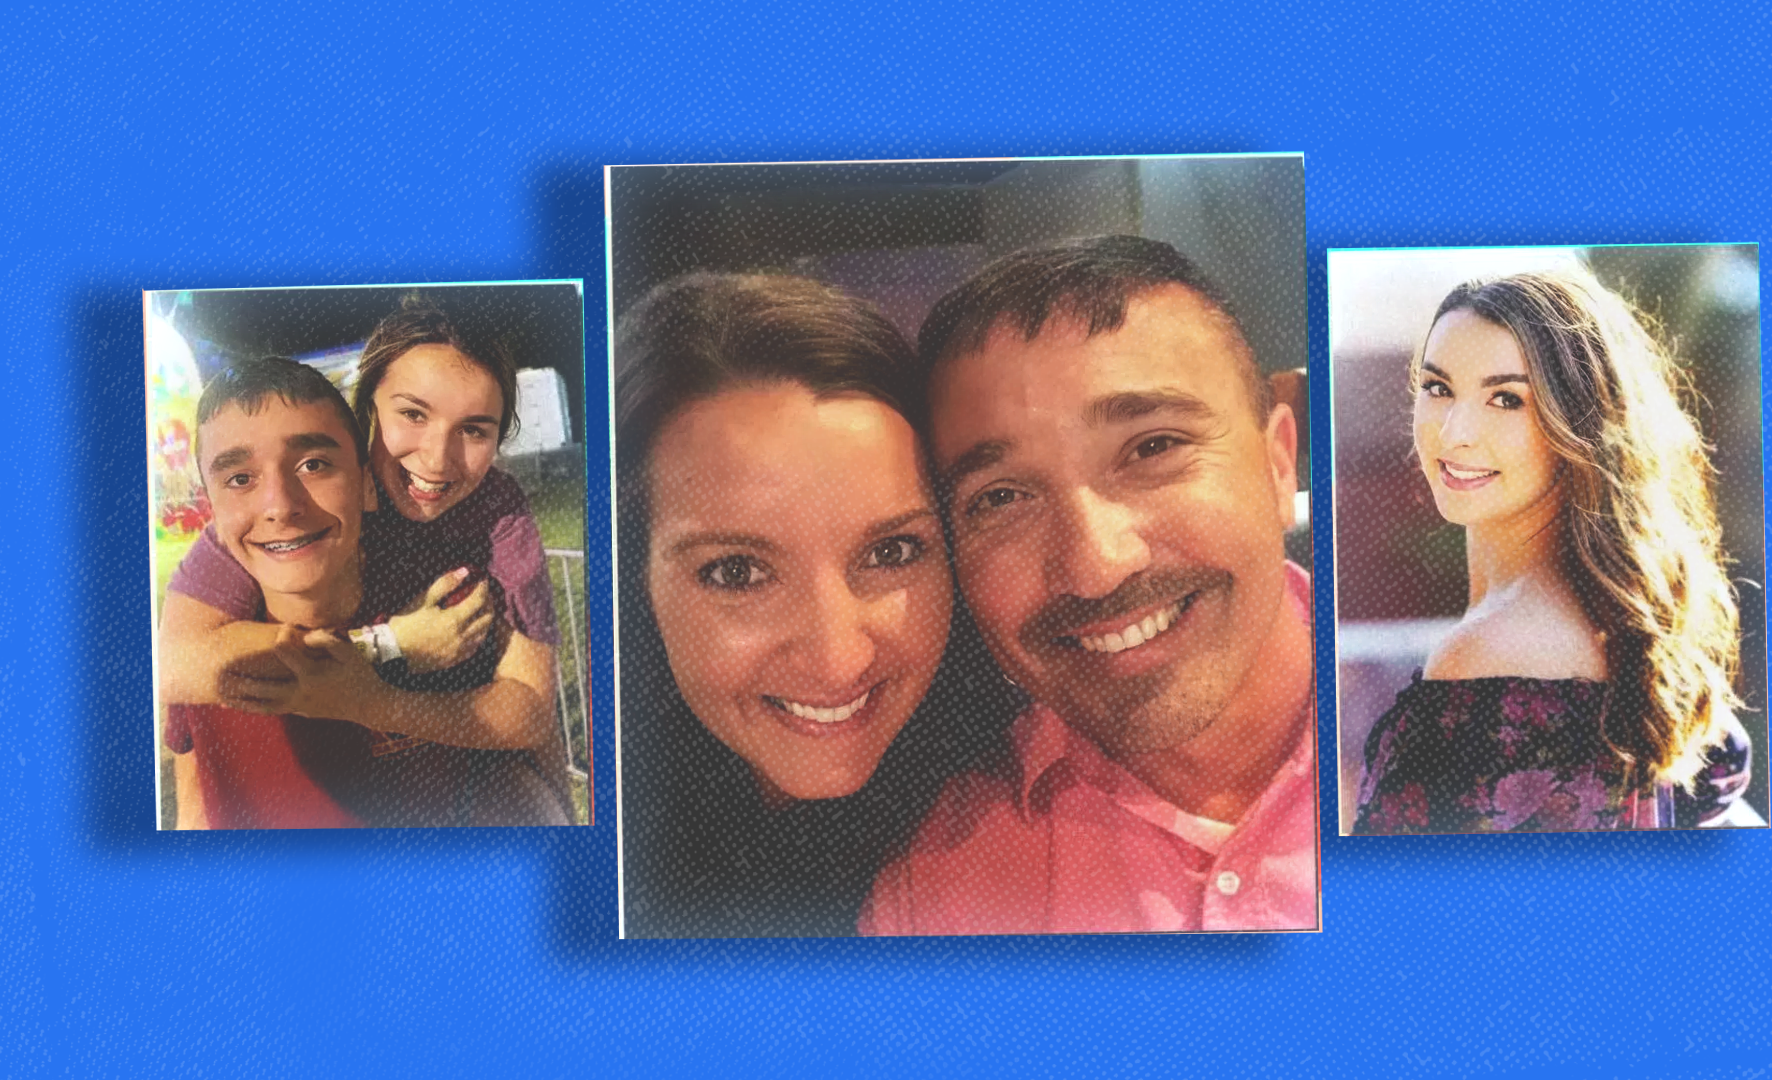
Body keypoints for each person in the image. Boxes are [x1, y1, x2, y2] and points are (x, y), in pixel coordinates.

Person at [860, 235, 1318, 935]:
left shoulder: (1504, 748)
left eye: (1153, 448)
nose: (1096, 565)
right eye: (1002, 498)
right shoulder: (932, 894)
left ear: (1279, 467)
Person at [615, 273, 1014, 937]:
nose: (838, 660)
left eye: (891, 552)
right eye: (737, 572)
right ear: (635, 577)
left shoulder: (1037, 809)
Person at [1350, 268, 1754, 835]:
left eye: (1507, 399)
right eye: (1438, 388)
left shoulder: (1482, 659)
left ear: (1581, 424)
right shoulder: (1638, 631)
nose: (1455, 432)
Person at [159, 297, 570, 827]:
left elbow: (532, 711)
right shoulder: (286, 514)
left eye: (473, 430)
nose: (437, 459)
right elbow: (173, 669)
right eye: (413, 414)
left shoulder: (496, 514)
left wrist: (372, 699)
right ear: (368, 409)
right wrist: (392, 645)